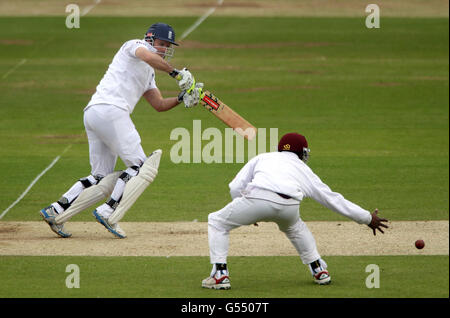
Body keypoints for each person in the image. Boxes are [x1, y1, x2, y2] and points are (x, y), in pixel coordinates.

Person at [40, 22, 203, 238]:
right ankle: (108, 211)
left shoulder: (149, 74)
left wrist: (182, 98)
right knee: (140, 167)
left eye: (168, 45)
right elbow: (147, 56)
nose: (164, 49)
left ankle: (56, 210)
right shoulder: (134, 45)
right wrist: (176, 74)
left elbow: (159, 104)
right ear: (150, 39)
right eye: (162, 44)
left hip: (95, 113)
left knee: (99, 176)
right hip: (111, 112)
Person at [202, 132, 389, 289]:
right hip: (289, 206)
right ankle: (319, 270)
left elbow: (235, 186)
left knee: (217, 222)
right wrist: (366, 218)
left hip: (257, 199)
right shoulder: (304, 169)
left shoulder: (263, 157)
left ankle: (220, 275)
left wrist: (244, 208)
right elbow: (332, 199)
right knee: (296, 228)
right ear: (302, 152)